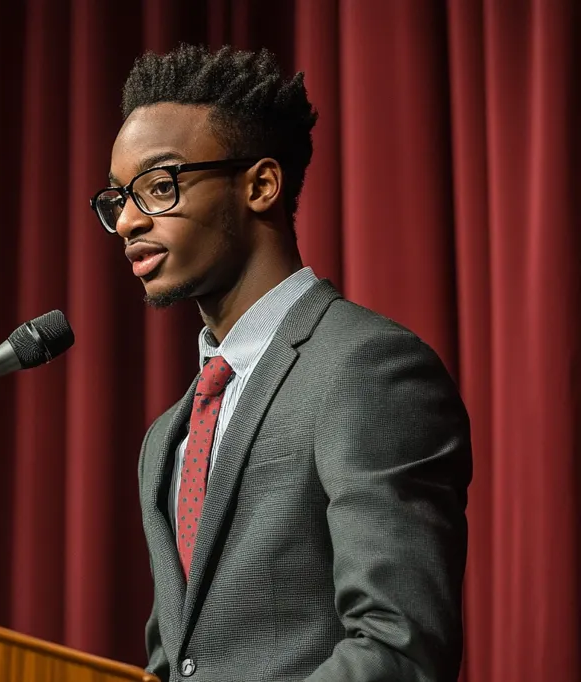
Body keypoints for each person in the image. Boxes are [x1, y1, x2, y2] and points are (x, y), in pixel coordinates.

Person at [90, 44, 472, 682]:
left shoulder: (368, 369)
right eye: (119, 199)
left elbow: (398, 648)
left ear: (260, 186)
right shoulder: (167, 437)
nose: (128, 220)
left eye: (159, 187)